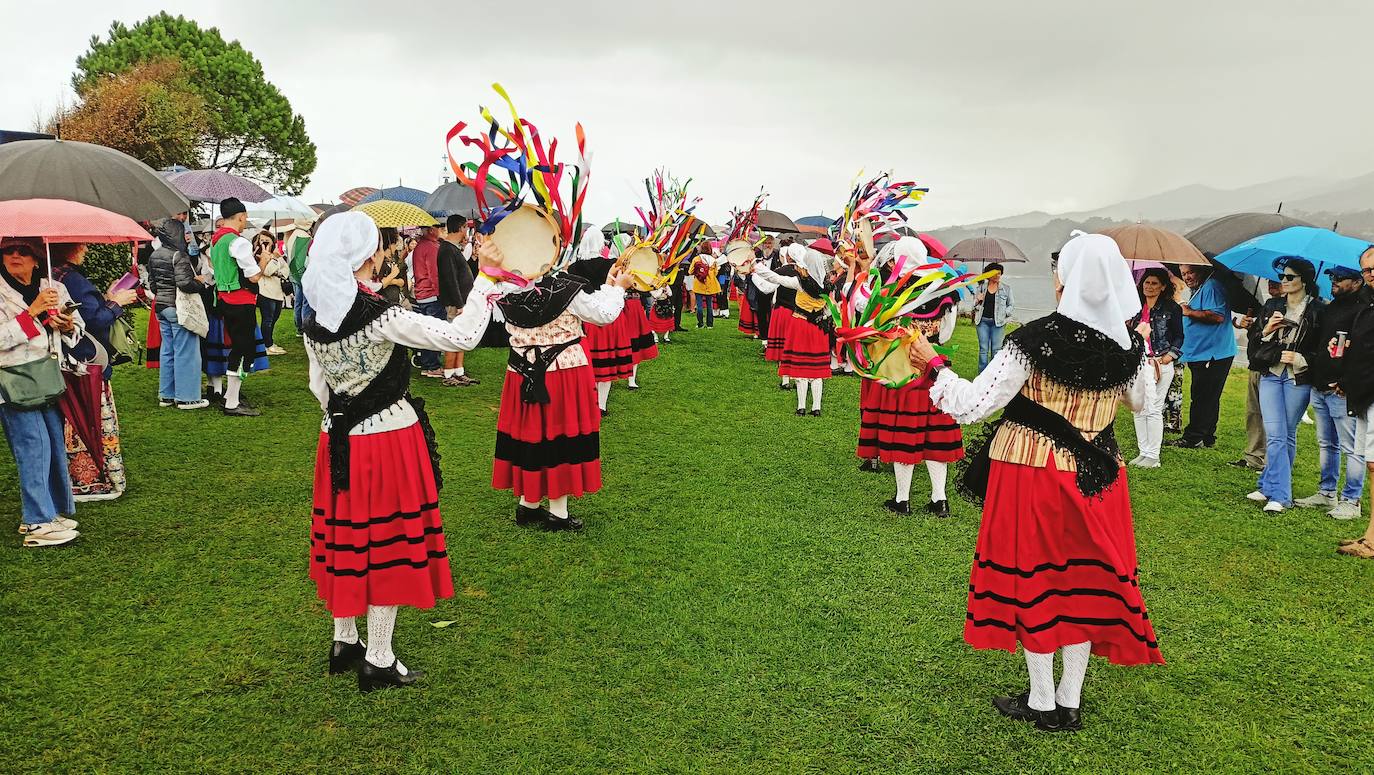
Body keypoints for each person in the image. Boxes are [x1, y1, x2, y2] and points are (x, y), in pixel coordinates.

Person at [911, 232, 1162, 734]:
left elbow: (973, 405)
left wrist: (932, 364)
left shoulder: (1033, 340)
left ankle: (1045, 699)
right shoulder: (1130, 346)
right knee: (1082, 583)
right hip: (1100, 475)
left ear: (1065, 280)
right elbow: (1143, 403)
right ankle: (1066, 699)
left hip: (1033, 472)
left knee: (1037, 581)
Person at [303, 212, 508, 692]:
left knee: (348, 540)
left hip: (337, 436)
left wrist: (346, 408)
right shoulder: (381, 315)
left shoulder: (313, 317)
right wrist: (487, 279)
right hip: (387, 440)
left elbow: (319, 386)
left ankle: (344, 641)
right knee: (385, 545)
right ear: (370, 256)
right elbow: (462, 337)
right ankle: (377, 656)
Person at [490, 244, 631, 532]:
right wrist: (618, 289)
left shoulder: (503, 289)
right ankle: (558, 512)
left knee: (531, 435)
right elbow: (603, 315)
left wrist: (608, 284)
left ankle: (528, 504)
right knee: (561, 436)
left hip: (521, 371)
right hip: (563, 373)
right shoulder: (565, 290)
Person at [853, 236, 964, 516]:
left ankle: (902, 500)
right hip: (936, 368)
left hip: (901, 371)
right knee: (934, 436)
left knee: (903, 434)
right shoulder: (944, 289)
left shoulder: (890, 291)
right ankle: (939, 500)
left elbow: (859, 306)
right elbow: (948, 333)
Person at [1, 237, 84, 547]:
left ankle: (49, 511)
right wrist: (32, 313)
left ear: (37, 257)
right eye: (8, 251)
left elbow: (77, 327)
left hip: (48, 377)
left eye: (23, 251)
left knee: (51, 444)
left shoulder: (53, 287)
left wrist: (66, 326)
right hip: (13, 380)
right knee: (31, 447)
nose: (15, 256)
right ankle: (36, 521)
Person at [51, 242, 135, 501]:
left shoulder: (52, 274)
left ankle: (75, 480)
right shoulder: (71, 280)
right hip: (84, 364)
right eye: (81, 245)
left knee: (69, 421)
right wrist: (115, 303)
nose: (86, 249)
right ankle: (91, 480)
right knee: (89, 419)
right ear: (67, 248)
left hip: (65, 362)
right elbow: (94, 319)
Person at [1246, 257, 1326, 513]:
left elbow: (1322, 350)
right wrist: (1268, 329)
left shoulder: (1318, 310)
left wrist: (1300, 359)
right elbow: (1254, 341)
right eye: (1282, 277)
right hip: (1271, 372)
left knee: (1286, 434)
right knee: (1276, 434)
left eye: (1290, 277)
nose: (1284, 281)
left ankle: (1271, 487)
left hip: (1297, 377)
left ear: (1304, 280)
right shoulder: (1272, 305)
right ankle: (1280, 493)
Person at [1293, 266, 1369, 518]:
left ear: (1357, 282)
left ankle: (1352, 500)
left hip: (1342, 389)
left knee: (1351, 447)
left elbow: (1361, 353)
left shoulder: (1363, 311)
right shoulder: (1329, 307)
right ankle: (1327, 492)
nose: (1333, 282)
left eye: (1339, 279)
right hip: (1320, 384)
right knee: (1327, 443)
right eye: (1331, 278)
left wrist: (1345, 382)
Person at [209, 198, 272, 416]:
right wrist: (264, 261)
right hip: (240, 301)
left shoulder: (216, 241)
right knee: (243, 349)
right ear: (241, 216)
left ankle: (229, 397)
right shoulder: (239, 242)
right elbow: (254, 277)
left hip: (224, 298)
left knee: (237, 347)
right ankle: (232, 402)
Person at [754, 244, 831, 416]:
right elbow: (828, 309)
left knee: (800, 366)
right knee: (816, 369)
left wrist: (756, 267)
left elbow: (775, 278)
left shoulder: (800, 282)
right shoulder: (827, 285)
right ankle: (816, 407)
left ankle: (801, 406)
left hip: (801, 325)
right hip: (818, 328)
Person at [147, 217, 212, 409]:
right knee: (187, 352)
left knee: (168, 351)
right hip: (178, 307)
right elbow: (185, 284)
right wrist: (199, 281)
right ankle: (187, 397)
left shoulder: (155, 255)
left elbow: (152, 284)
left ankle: (167, 395)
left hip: (161, 307)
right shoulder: (179, 255)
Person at [1168, 264, 1236, 448]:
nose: (1187, 277)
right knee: (1208, 396)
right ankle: (1207, 436)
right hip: (1201, 352)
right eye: (1184, 274)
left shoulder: (1211, 286)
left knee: (1203, 396)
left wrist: (1188, 311)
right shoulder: (1199, 288)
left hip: (1213, 353)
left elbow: (1217, 316)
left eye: (1191, 272)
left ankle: (1193, 437)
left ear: (1201, 270)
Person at [568, 227, 631, 415]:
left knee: (588, 363)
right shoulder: (611, 264)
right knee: (607, 361)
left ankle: (587, 401)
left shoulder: (573, 267)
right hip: (607, 312)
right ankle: (601, 404)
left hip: (584, 316)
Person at [1337, 247, 1374, 558]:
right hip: (1363, 395)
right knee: (1370, 462)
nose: (1370, 274)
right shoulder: (1367, 306)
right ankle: (1370, 536)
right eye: (1365, 269)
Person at [1127, 268, 1183, 468]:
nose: (1149, 287)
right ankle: (1143, 451)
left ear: (1163, 287)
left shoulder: (1171, 308)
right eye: (1146, 283)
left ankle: (1153, 455)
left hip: (1160, 362)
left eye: (1154, 283)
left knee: (1154, 407)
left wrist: (1170, 356)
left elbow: (1179, 335)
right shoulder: (1135, 308)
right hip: (1139, 361)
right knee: (1138, 407)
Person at [1228, 282, 1282, 471]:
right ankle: (1254, 457)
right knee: (1253, 413)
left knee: (1273, 417)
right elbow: (1257, 336)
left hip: (1275, 369)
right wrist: (1248, 325)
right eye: (1274, 279)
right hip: (1256, 364)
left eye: (1286, 278)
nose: (1275, 283)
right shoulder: (1267, 305)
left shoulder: (1296, 309)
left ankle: (1270, 461)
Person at [438, 215, 479, 386]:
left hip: (462, 301)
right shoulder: (447, 249)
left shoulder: (452, 248)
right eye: (465, 228)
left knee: (461, 336)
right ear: (461, 228)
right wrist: (459, 303)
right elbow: (450, 279)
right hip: (456, 303)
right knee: (453, 337)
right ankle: (448, 374)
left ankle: (458, 371)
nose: (466, 232)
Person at [409, 224, 446, 378]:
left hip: (422, 295)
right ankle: (432, 366)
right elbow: (434, 274)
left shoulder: (420, 246)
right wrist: (441, 294)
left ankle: (427, 363)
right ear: (432, 230)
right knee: (434, 331)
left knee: (427, 331)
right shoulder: (430, 247)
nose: (441, 231)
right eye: (440, 228)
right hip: (431, 295)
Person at [252, 230, 290, 356]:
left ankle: (269, 342)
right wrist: (274, 262)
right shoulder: (258, 254)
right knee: (267, 319)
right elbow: (267, 271)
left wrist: (276, 266)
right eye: (262, 240)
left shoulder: (276, 254)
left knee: (274, 318)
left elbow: (286, 270)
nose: (264, 243)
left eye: (267, 240)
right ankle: (266, 345)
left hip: (277, 291)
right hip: (265, 291)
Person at [971, 262, 1014, 372]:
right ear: (989, 274)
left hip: (998, 324)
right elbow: (973, 306)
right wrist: (977, 300)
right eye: (995, 273)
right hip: (982, 322)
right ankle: (982, 375)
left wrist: (1004, 313)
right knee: (983, 350)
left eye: (1000, 273)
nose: (998, 276)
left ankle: (993, 375)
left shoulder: (1006, 289)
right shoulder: (981, 288)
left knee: (996, 350)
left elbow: (1011, 305)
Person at [287, 218, 315, 335]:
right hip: (303, 274)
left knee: (298, 302)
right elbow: (305, 260)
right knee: (306, 303)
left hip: (293, 273)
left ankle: (299, 327)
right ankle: (305, 328)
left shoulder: (292, 235)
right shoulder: (305, 237)